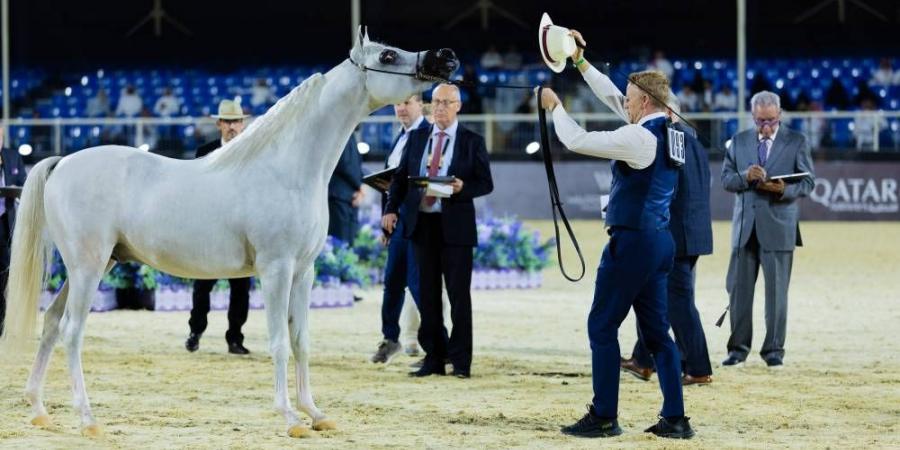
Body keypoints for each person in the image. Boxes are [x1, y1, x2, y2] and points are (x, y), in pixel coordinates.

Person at [539, 30, 694, 439]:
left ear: (644, 101)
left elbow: (576, 139)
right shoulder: (670, 127)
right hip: (660, 241)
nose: (623, 102)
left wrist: (556, 107)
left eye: (629, 97)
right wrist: (578, 61)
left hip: (632, 243)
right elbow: (610, 95)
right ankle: (675, 419)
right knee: (658, 334)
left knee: (602, 326)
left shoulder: (638, 136)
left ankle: (604, 415)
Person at [383, 83, 493, 379]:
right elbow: (399, 179)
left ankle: (461, 361)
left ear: (458, 106)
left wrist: (463, 188)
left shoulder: (472, 141)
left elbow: (486, 183)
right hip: (423, 225)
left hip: (456, 228)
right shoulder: (417, 137)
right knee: (428, 296)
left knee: (459, 298)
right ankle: (434, 356)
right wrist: (390, 209)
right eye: (436, 102)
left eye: (446, 102)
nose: (440, 107)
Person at [620, 93, 714, 387]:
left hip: (674, 233)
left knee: (678, 303)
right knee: (652, 297)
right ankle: (643, 360)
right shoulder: (693, 139)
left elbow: (666, 188)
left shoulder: (672, 139)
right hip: (691, 231)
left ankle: (698, 367)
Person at [721, 91, 815, 369]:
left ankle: (774, 350)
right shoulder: (738, 142)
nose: (766, 127)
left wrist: (784, 189)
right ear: (753, 116)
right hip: (744, 229)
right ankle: (737, 349)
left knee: (776, 295)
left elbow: (808, 183)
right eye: (761, 121)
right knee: (738, 293)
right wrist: (744, 176)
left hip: (779, 227)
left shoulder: (797, 141)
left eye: (771, 121)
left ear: (780, 115)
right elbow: (726, 180)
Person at [185, 99, 253, 355]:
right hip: (210, 229)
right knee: (202, 284)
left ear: (243, 124)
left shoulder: (253, 151)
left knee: (241, 288)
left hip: (240, 230)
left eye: (236, 121)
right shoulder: (204, 151)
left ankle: (235, 337)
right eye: (228, 121)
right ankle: (196, 330)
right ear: (219, 124)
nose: (232, 126)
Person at [371, 94, 431, 363]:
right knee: (392, 283)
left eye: (407, 102)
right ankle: (390, 338)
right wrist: (388, 218)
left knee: (419, 286)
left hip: (418, 221)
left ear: (420, 104)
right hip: (397, 222)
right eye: (397, 104)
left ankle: (435, 344)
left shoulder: (427, 135)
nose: (400, 108)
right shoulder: (401, 136)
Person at [0, 124, 28, 336]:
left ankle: (4, 325)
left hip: (5, 222)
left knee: (5, 274)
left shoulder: (12, 156)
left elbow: (23, 186)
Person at [328, 136, 363, 244]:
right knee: (339, 244)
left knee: (346, 244)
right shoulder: (343, 133)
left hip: (348, 196)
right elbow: (345, 164)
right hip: (339, 196)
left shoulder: (349, 134)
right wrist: (360, 186)